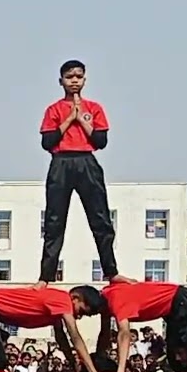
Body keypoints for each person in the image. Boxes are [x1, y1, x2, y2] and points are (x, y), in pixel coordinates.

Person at [37, 59, 133, 289]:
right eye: (70, 77)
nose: (74, 81)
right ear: (61, 81)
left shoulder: (94, 108)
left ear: (85, 80)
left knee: (100, 218)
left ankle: (111, 272)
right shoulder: (54, 110)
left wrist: (82, 119)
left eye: (78, 77)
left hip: (86, 161)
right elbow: (47, 142)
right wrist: (69, 118)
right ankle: (45, 276)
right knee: (54, 220)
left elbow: (101, 141)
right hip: (61, 163)